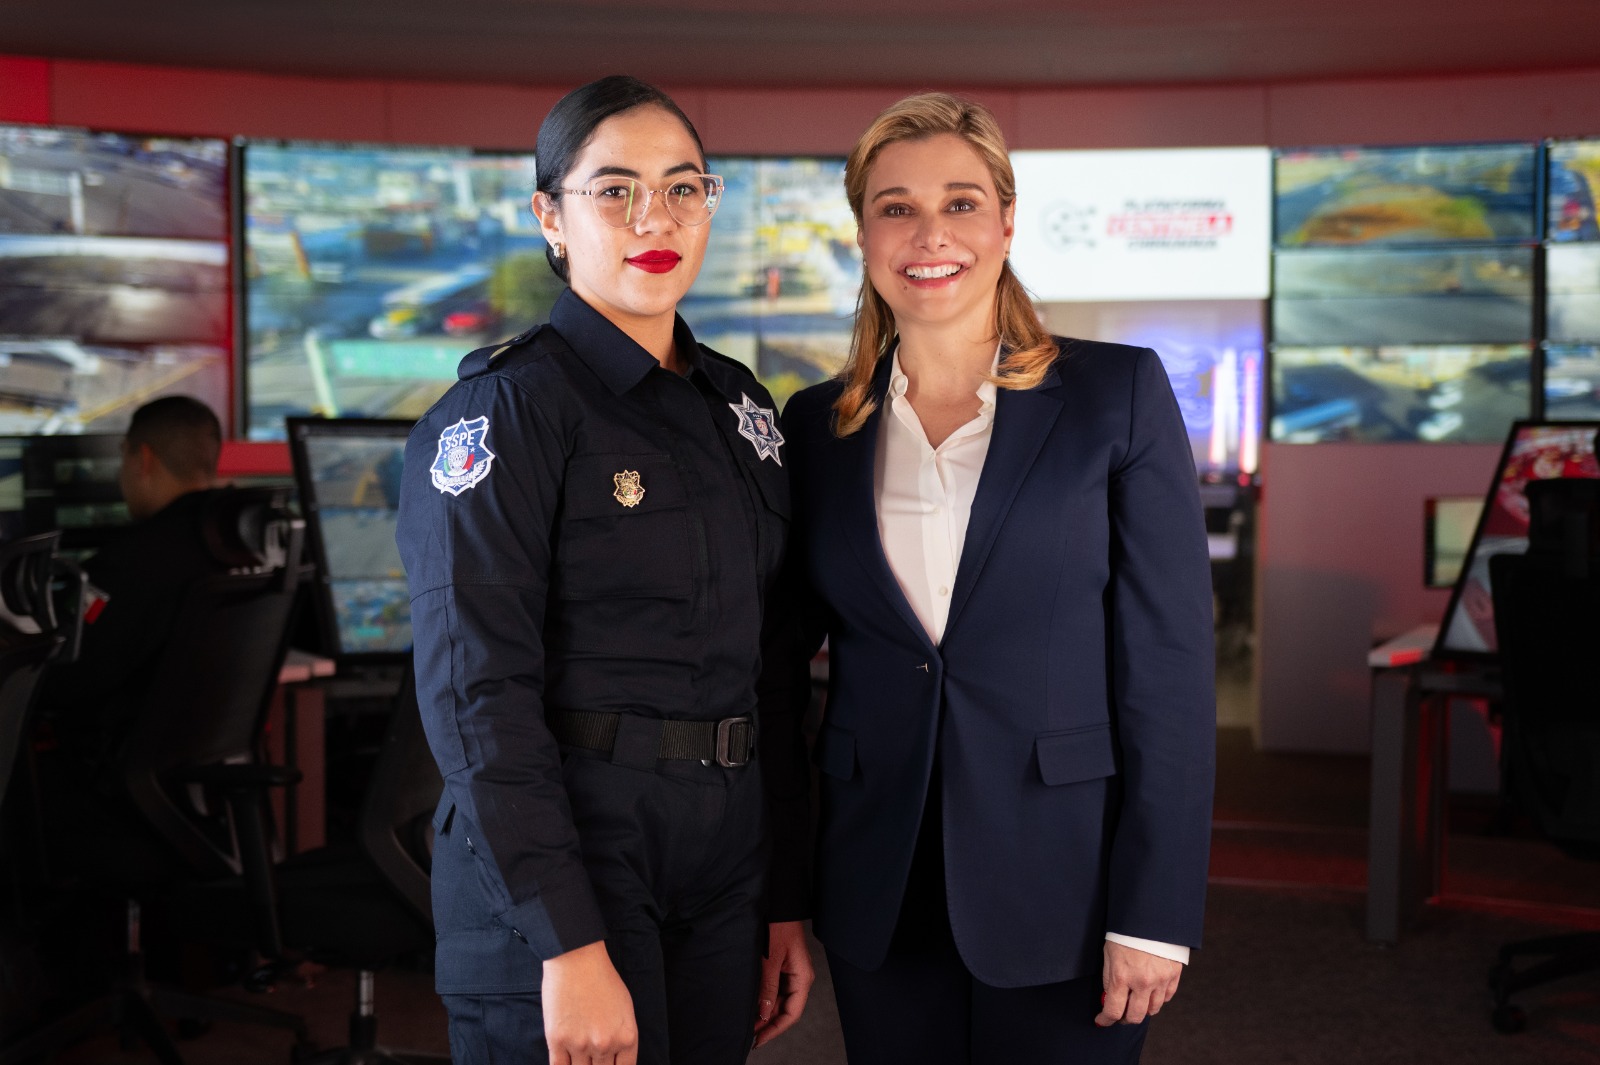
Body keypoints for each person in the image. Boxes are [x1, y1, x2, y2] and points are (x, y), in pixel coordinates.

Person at [782, 93, 1215, 1064]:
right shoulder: (815, 427)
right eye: (896, 207)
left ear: (1007, 222)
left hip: (1065, 879)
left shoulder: (1116, 395)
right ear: (862, 233)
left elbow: (1170, 671)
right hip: (877, 879)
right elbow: (774, 673)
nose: (929, 234)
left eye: (961, 203)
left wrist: (1154, 911)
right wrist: (779, 892)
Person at [395, 75, 814, 1065]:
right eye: (615, 190)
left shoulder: (741, 410)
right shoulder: (505, 412)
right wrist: (567, 941)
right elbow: (474, 693)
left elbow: (774, 670)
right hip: (567, 853)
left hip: (722, 857)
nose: (652, 218)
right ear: (550, 215)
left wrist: (783, 896)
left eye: (682, 188)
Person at [35, 394, 226, 770]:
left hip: (109, 774)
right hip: (204, 766)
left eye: (124, 457)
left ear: (143, 460)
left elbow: (64, 677)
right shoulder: (241, 545)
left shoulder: (133, 561)